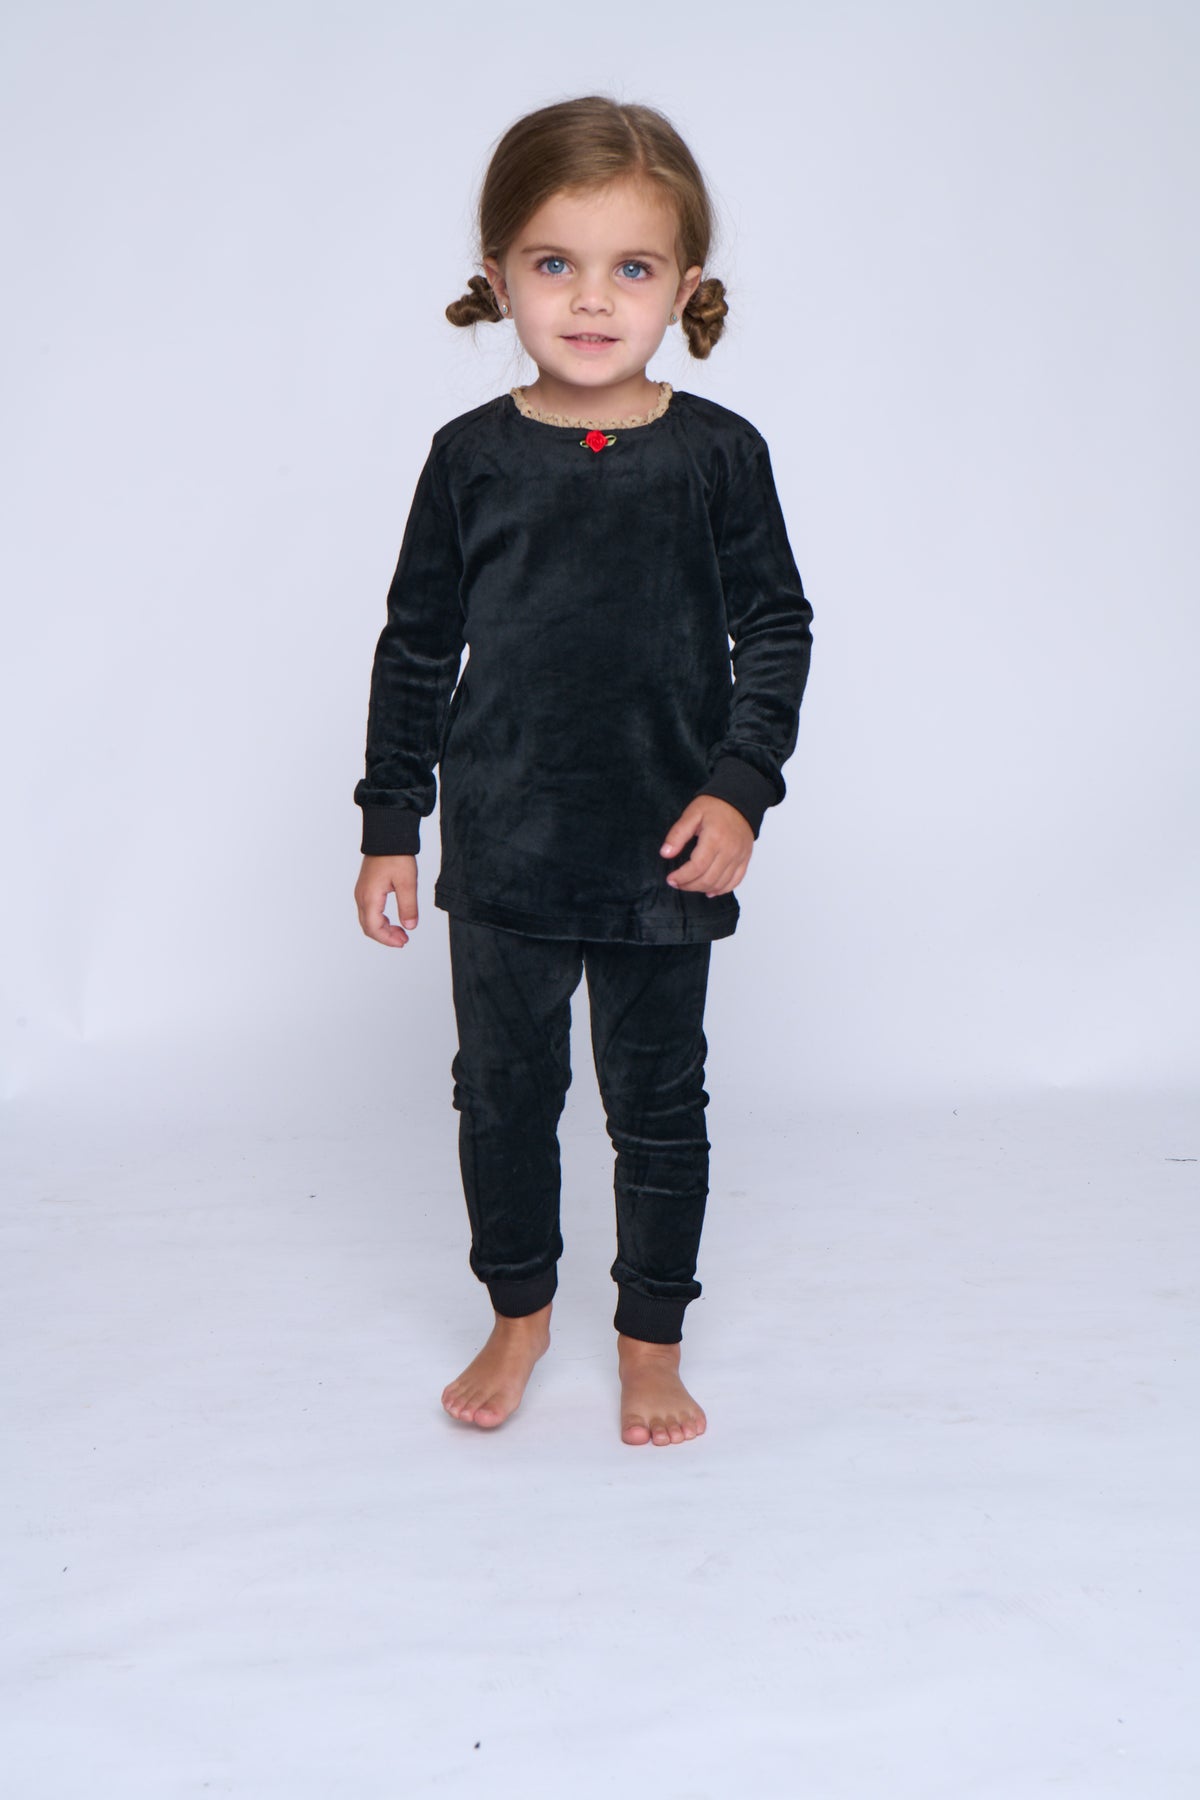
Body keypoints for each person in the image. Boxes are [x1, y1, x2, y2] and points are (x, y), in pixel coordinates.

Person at [353, 95, 814, 1447]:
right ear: (499, 276)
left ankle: (650, 1340)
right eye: (556, 263)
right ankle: (519, 1313)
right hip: (506, 848)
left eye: (633, 267)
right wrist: (392, 825)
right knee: (503, 1097)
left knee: (658, 1105)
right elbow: (417, 645)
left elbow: (777, 628)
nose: (594, 299)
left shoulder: (718, 455)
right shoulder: (471, 459)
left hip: (667, 848)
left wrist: (739, 787)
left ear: (686, 285)